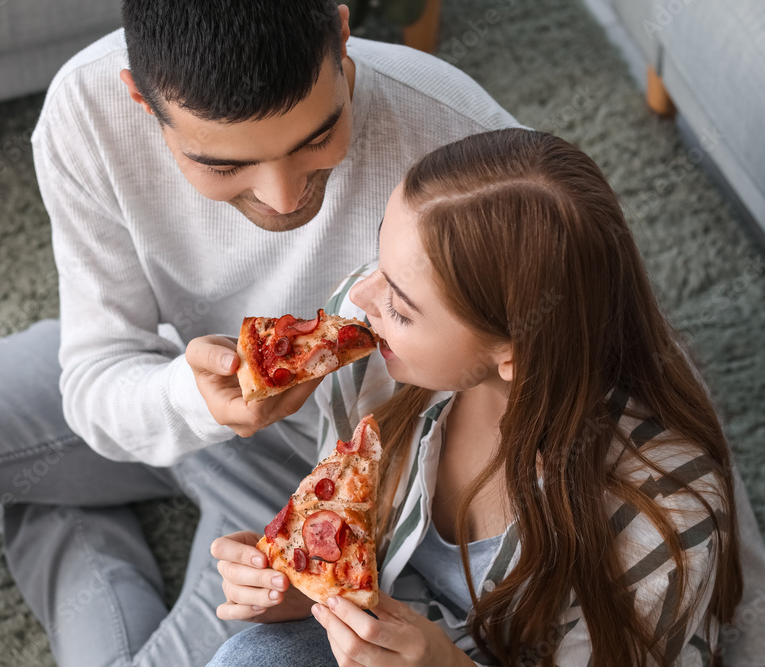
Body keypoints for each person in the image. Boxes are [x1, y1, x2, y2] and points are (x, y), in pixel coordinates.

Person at [0, 2, 528, 666]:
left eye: (317, 138)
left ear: (340, 39)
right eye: (223, 164)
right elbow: (96, 373)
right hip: (160, 363)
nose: (285, 194)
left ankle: (46, 502)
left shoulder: (469, 151)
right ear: (140, 99)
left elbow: (568, 347)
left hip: (312, 468)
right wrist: (189, 400)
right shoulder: (88, 108)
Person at [208, 128, 757, 666]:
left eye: (401, 307)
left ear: (515, 353)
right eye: (381, 254)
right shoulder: (374, 351)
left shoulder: (662, 516)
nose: (358, 296)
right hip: (402, 620)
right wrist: (299, 581)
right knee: (250, 656)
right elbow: (356, 554)